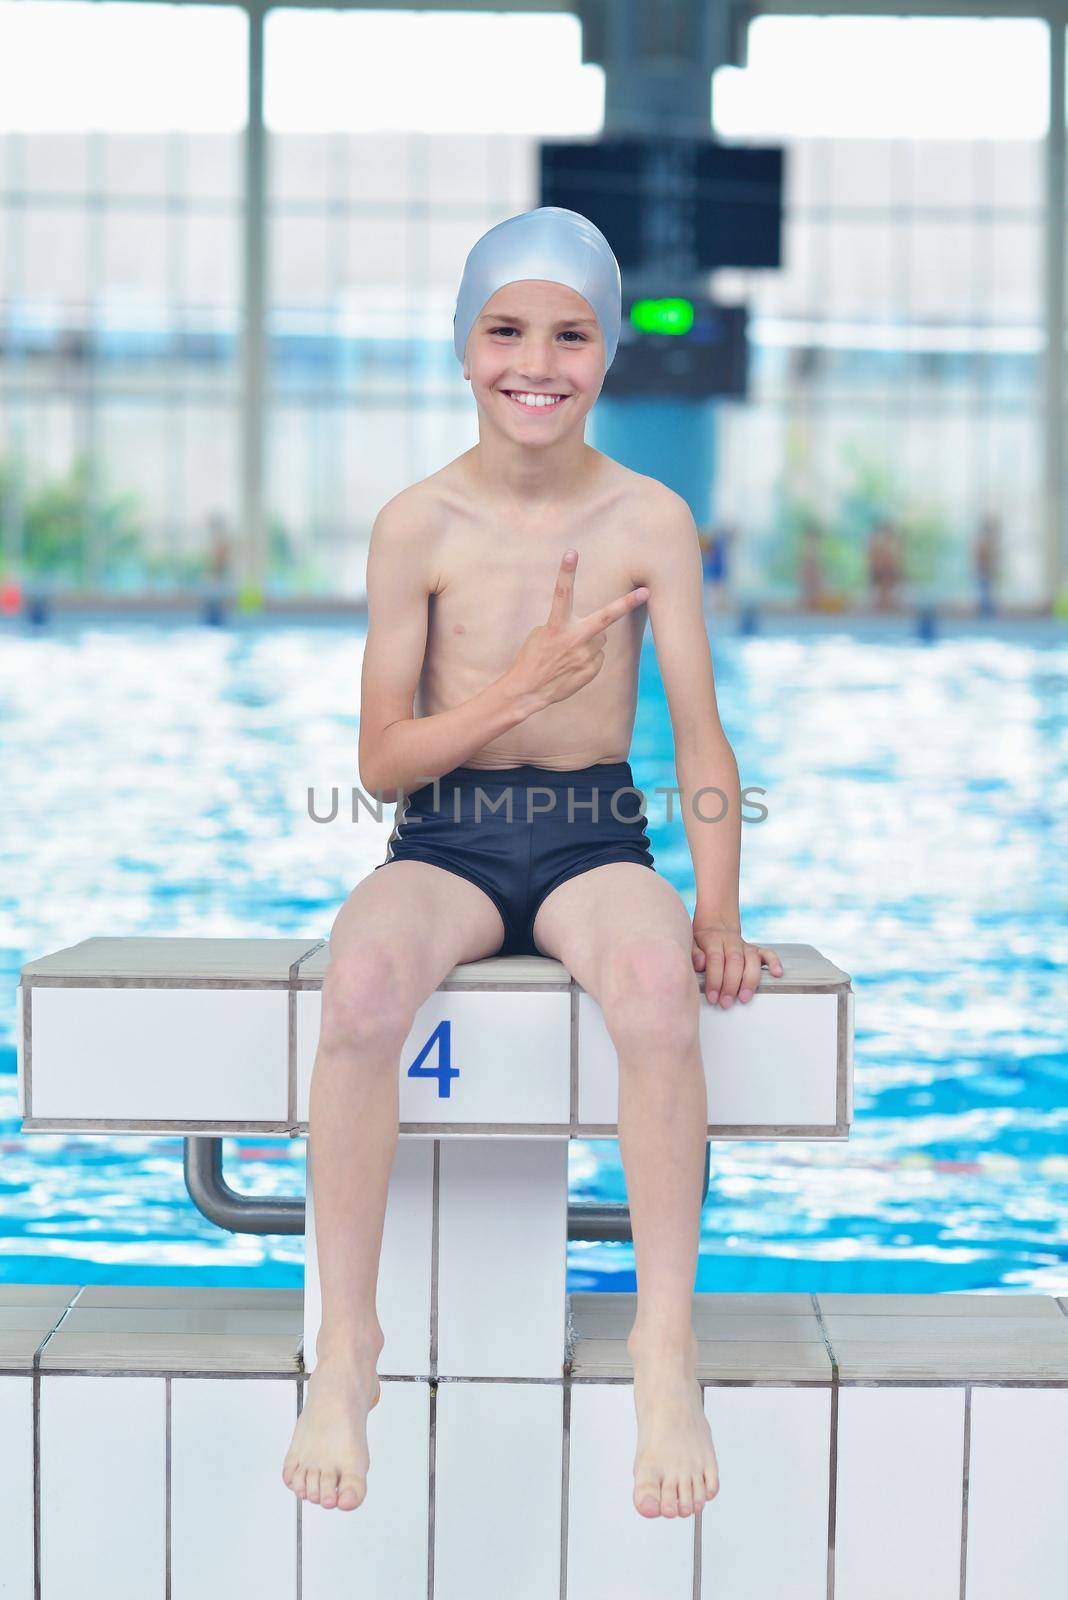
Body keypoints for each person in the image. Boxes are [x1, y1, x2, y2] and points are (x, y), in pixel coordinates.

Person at [281, 206, 783, 1524]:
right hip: (443, 837)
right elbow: (383, 761)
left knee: (658, 993)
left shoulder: (647, 518)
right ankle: (347, 1348)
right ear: (464, 348)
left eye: (568, 334)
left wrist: (719, 908)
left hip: (588, 838)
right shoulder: (419, 525)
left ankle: (662, 1347)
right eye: (507, 329)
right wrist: (513, 692)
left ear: (607, 354)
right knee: (361, 991)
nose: (536, 361)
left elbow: (702, 733)